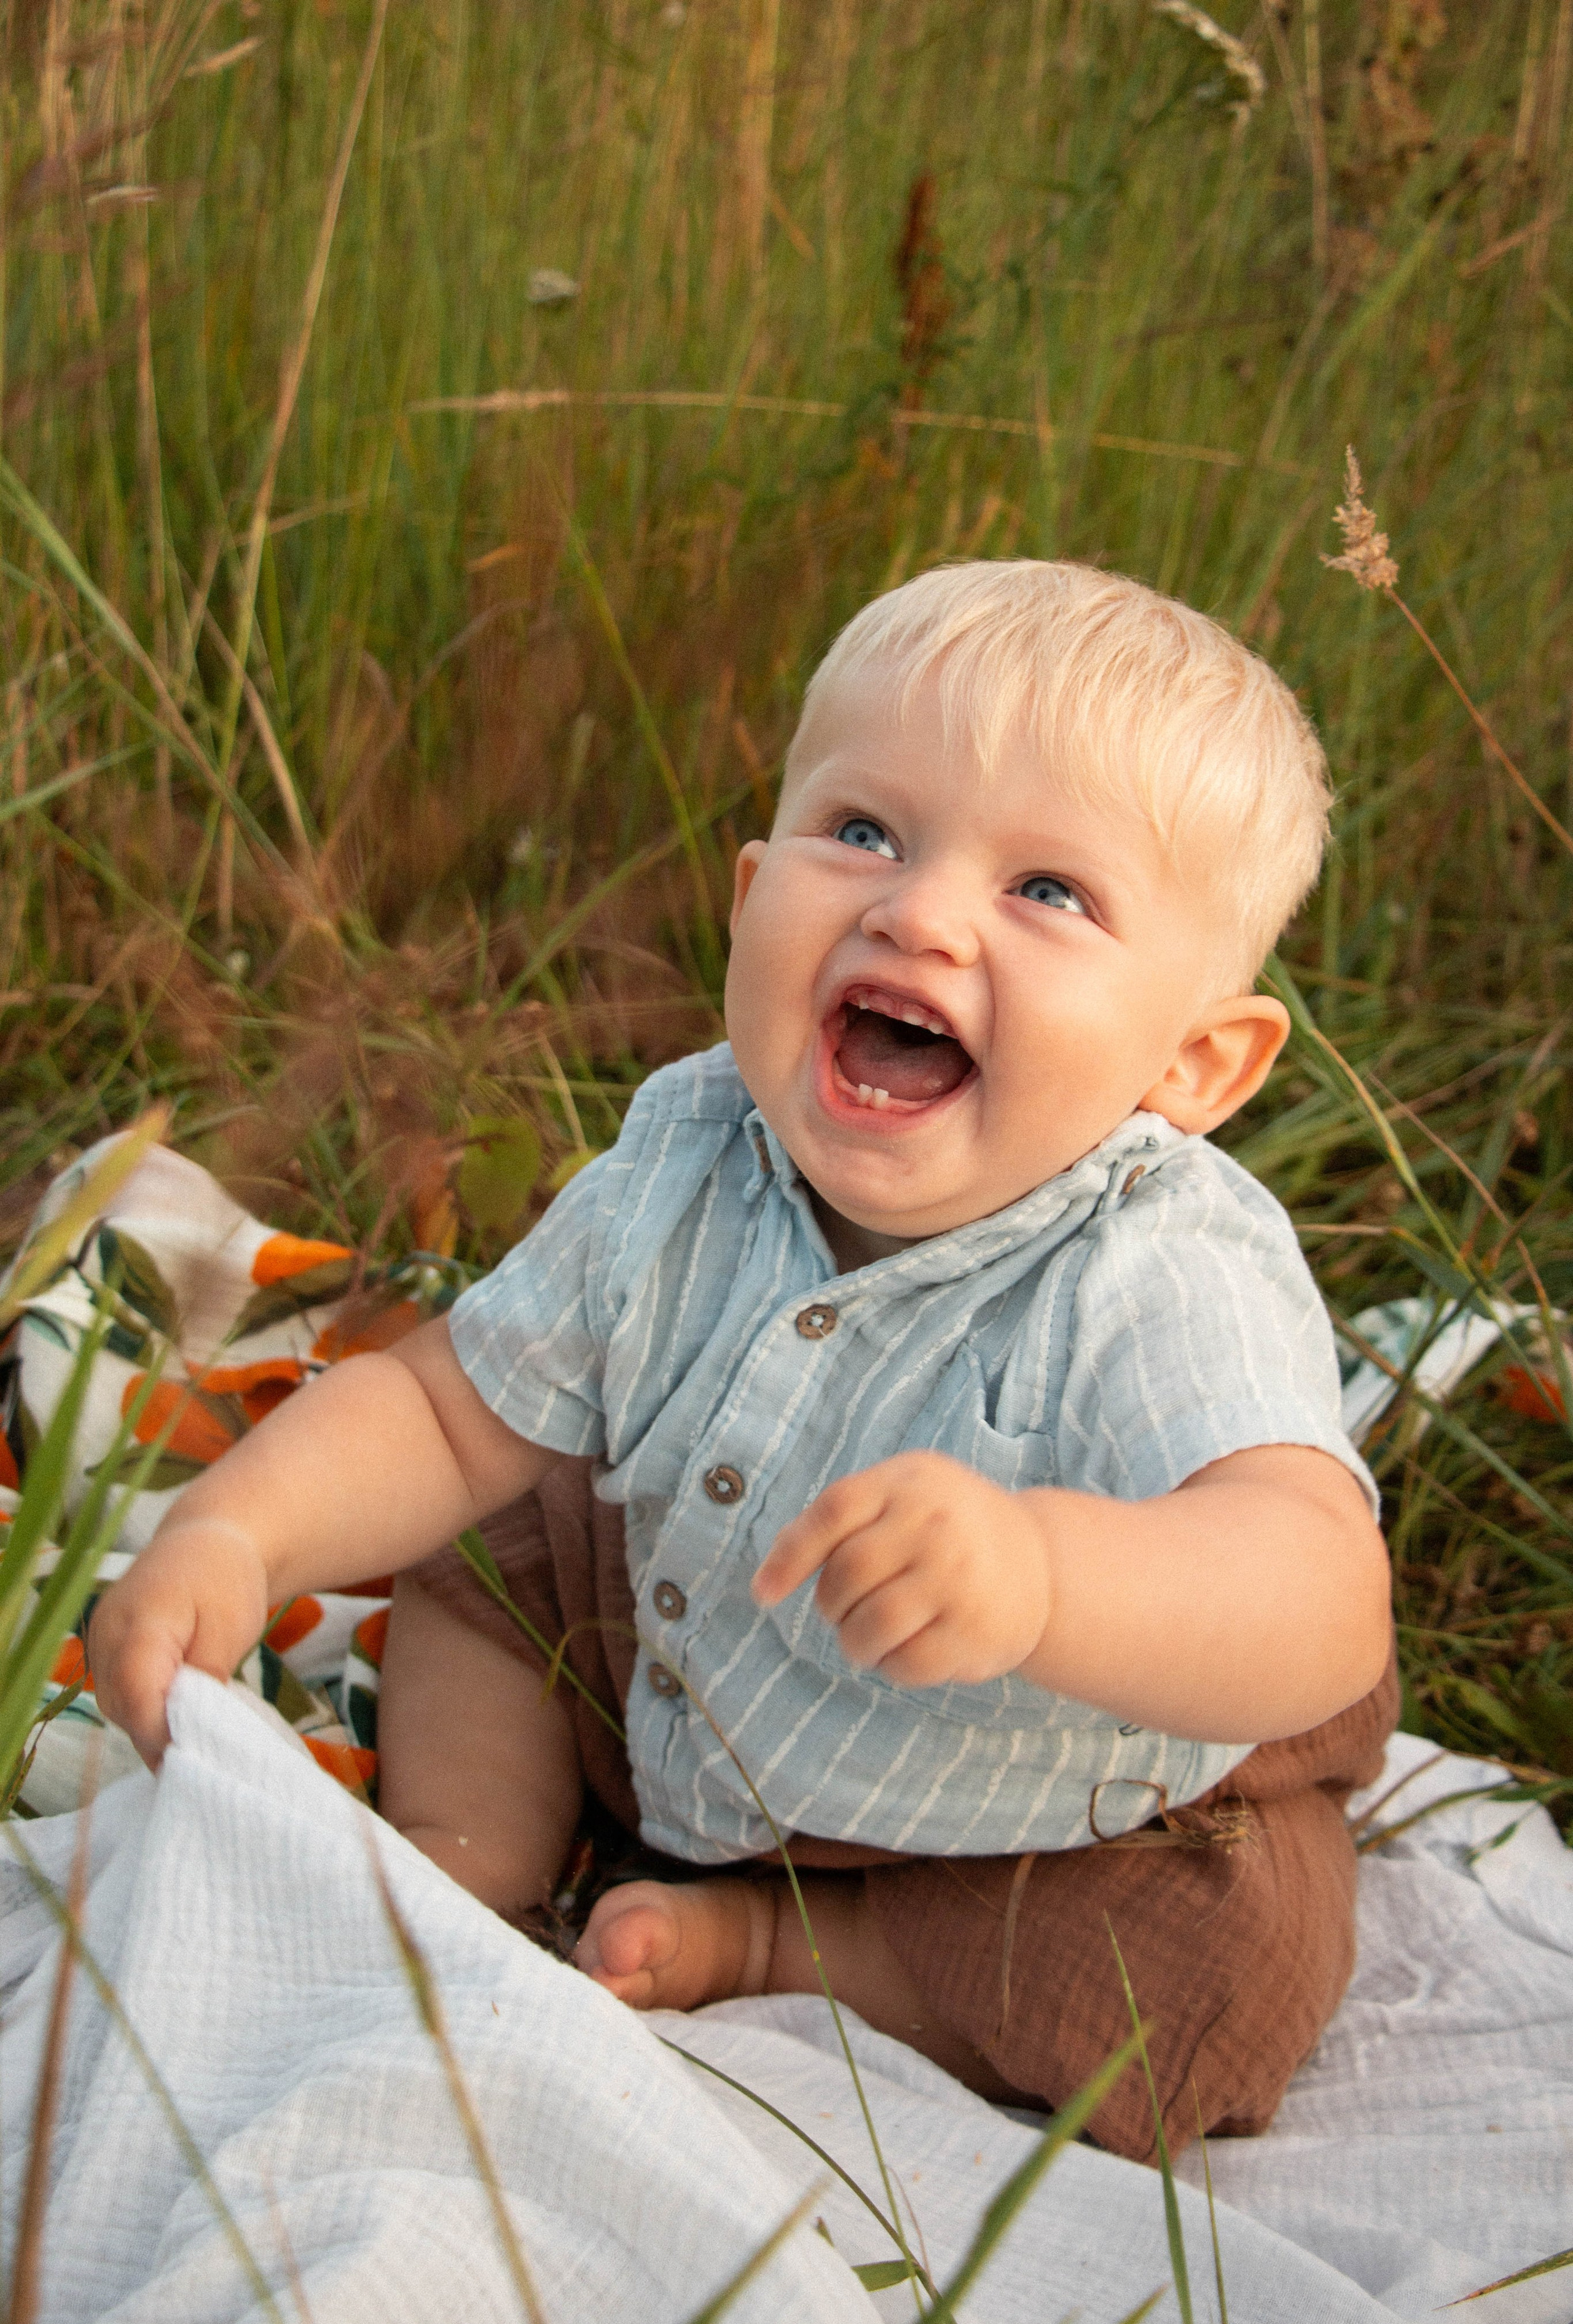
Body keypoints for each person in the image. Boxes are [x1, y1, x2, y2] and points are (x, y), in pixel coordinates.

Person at [90, 560, 1397, 2163]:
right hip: (688, 1628)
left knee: (1213, 1967)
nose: (918, 912)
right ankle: (459, 1870)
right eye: (867, 832)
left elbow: (1315, 1590)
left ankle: (789, 1949)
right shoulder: (691, 1149)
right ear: (749, 892)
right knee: (492, 1534)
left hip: (1032, 1806)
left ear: (1195, 1061)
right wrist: (237, 1533)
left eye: (1049, 892)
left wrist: (1050, 1581)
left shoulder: (1160, 1265)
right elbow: (440, 1408)